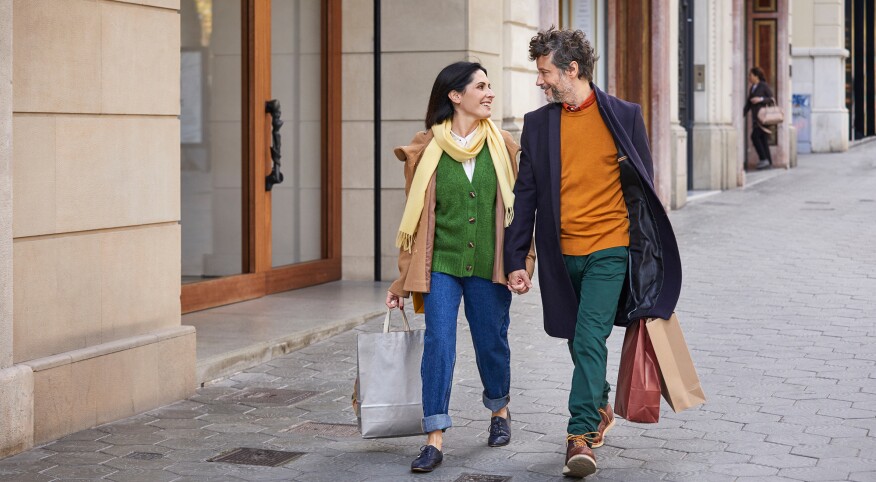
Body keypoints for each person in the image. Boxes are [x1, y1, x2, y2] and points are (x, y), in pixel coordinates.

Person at [503, 28, 682, 478]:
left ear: (572, 69)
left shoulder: (623, 115)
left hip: (609, 249)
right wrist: (516, 259)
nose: (540, 81)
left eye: (545, 72)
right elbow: (526, 197)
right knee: (576, 337)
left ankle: (579, 437)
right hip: (561, 255)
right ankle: (600, 403)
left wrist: (647, 260)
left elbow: (643, 190)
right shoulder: (539, 124)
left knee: (588, 338)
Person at [386, 61, 534, 473]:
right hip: (441, 266)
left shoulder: (503, 145)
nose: (489, 93)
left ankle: (499, 409)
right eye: (481, 87)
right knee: (439, 343)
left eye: (490, 86)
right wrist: (401, 281)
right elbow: (413, 221)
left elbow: (519, 214)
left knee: (491, 341)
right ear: (455, 95)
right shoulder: (425, 148)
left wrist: (522, 262)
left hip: (489, 265)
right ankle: (434, 435)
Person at [743, 66, 774, 170]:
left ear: (756, 76)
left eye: (750, 75)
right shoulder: (752, 88)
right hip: (756, 118)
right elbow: (748, 103)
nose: (749, 77)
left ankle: (763, 159)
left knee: (754, 137)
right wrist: (742, 113)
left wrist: (760, 99)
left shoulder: (763, 86)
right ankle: (768, 162)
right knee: (763, 140)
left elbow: (771, 99)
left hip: (763, 118)